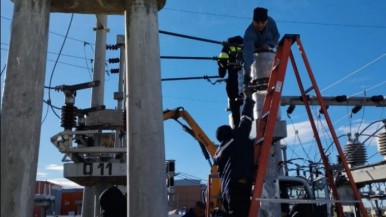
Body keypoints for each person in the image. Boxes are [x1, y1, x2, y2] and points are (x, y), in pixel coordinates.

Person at [213, 89, 255, 217]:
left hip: (228, 190)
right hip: (238, 187)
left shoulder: (219, 152)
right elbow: (246, 119)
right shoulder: (236, 138)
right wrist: (249, 99)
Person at [242, 7, 280, 85]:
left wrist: (269, 44)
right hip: (257, 58)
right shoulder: (249, 34)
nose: (260, 25)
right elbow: (248, 54)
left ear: (266, 21)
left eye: (263, 22)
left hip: (270, 55)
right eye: (257, 22)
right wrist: (247, 73)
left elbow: (276, 36)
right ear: (253, 20)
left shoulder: (271, 22)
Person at [217, 36, 244, 128]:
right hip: (243, 84)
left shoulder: (226, 49)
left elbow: (221, 73)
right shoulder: (246, 47)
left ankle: (237, 127)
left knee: (235, 108)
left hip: (233, 83)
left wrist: (222, 66)